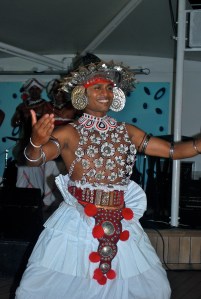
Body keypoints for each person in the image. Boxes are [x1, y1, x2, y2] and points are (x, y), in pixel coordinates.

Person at [15, 60, 201, 299]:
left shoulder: (128, 131)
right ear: (82, 93)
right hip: (77, 221)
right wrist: (36, 142)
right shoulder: (68, 132)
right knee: (51, 286)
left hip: (120, 219)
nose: (106, 93)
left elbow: (174, 151)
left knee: (155, 288)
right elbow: (35, 159)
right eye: (98, 88)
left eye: (110, 88)